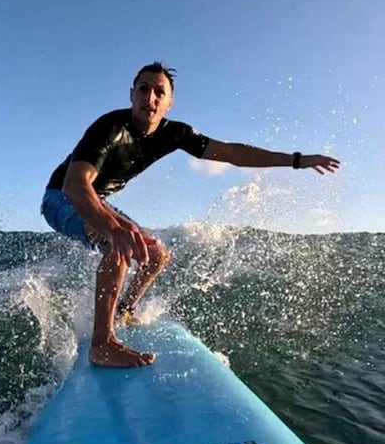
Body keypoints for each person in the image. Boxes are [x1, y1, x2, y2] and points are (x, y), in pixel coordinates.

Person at [41, 62, 340, 369]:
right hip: (61, 198)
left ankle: (124, 312)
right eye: (143, 89)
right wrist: (112, 229)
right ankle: (102, 344)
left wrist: (296, 160)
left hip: (98, 199)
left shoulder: (174, 133)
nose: (151, 98)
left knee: (156, 256)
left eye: (160, 92)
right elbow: (76, 186)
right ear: (132, 95)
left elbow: (232, 154)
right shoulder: (110, 128)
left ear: (169, 103)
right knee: (116, 242)